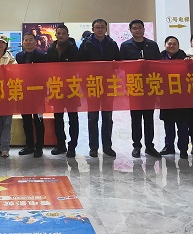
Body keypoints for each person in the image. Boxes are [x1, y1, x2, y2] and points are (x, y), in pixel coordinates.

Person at [119, 19, 162, 158]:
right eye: (134, 28)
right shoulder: (125, 46)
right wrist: (135, 64)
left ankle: (150, 146)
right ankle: (136, 146)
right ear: (130, 30)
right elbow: (121, 65)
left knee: (149, 118)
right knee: (136, 118)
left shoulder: (152, 45)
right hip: (134, 85)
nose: (137, 30)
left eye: (139, 28)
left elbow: (159, 63)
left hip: (150, 85)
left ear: (144, 29)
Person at [78, 18, 120, 158]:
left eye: (102, 27)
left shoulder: (112, 44)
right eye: (97, 27)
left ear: (106, 29)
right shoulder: (86, 44)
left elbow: (118, 62)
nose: (100, 29)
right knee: (93, 118)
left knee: (107, 117)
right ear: (93, 29)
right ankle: (93, 147)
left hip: (108, 84)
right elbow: (80, 65)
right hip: (92, 85)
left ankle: (107, 146)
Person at [47, 24, 80, 158]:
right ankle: (61, 144)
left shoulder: (74, 49)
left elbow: (78, 68)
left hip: (71, 88)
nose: (60, 35)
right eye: (58, 33)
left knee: (73, 118)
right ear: (55, 35)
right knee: (58, 118)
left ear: (67, 35)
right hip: (56, 87)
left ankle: (72, 146)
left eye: (63, 33)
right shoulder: (51, 49)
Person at [15, 32, 47, 158]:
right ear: (23, 42)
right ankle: (29, 145)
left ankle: (39, 147)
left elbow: (45, 75)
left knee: (38, 120)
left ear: (35, 42)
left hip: (38, 93)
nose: (28, 42)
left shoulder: (42, 56)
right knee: (26, 120)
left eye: (30, 40)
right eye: (26, 40)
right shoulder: (19, 56)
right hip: (24, 93)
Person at [159, 36, 189, 159]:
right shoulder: (159, 58)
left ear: (178, 45)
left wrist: (189, 63)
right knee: (168, 124)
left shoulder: (184, 58)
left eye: (174, 44)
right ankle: (169, 147)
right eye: (169, 44)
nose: (171, 46)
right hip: (166, 97)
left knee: (182, 125)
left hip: (181, 97)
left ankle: (183, 149)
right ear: (165, 45)